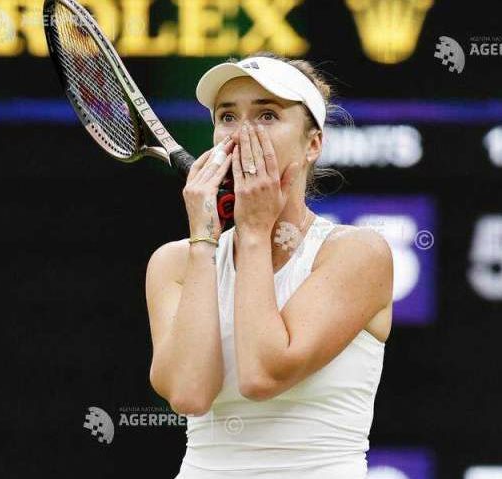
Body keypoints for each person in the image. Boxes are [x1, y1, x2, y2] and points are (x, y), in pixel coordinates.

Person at [144, 52, 393, 478]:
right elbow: (189, 394)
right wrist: (204, 240)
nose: (242, 134)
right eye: (227, 117)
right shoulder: (174, 263)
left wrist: (255, 232)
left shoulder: (358, 253)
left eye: (266, 116)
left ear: (313, 143)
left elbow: (263, 374)